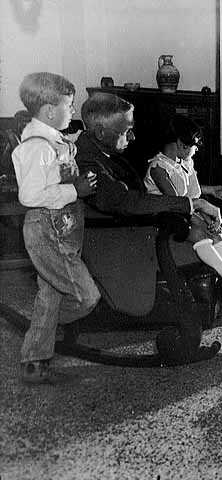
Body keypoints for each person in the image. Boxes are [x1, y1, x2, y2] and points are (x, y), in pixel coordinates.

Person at [74, 93, 222, 347]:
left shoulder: (102, 152)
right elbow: (128, 203)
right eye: (127, 130)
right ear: (102, 132)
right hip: (134, 245)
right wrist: (192, 203)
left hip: (147, 231)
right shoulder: (89, 164)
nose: (133, 136)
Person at [11, 72, 100, 384]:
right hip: (46, 228)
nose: (73, 111)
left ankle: (33, 363)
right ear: (49, 110)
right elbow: (30, 195)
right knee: (87, 296)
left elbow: (59, 160)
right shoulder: (38, 146)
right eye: (70, 106)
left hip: (62, 228)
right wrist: (76, 190)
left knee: (50, 296)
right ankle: (40, 328)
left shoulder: (53, 140)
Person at [143, 114, 222, 292]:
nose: (196, 150)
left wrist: (209, 219)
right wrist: (202, 218)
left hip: (185, 212)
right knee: (200, 234)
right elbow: (178, 202)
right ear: (181, 144)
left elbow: (194, 195)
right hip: (165, 217)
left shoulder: (185, 162)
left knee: (216, 234)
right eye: (194, 146)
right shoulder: (159, 168)